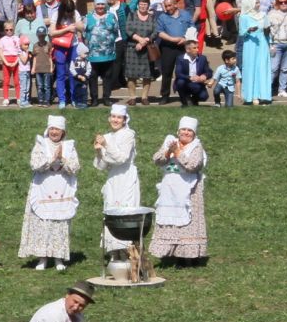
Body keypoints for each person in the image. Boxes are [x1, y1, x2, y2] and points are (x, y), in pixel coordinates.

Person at [19, 115, 81, 271]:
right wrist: (51, 160)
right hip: (44, 187)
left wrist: (63, 160)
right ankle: (43, 258)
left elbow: (75, 167)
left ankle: (59, 258)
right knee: (43, 224)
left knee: (59, 224)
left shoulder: (69, 146)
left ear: (63, 131)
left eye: (57, 129)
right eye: (52, 129)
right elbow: (34, 164)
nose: (54, 132)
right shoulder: (41, 144)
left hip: (62, 188)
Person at [150, 116, 207, 267]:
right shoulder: (171, 142)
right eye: (183, 130)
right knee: (172, 223)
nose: (186, 133)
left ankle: (192, 257)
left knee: (188, 223)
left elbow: (194, 165)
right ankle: (177, 256)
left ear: (194, 134)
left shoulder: (196, 147)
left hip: (189, 191)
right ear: (178, 131)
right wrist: (168, 151)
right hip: (169, 190)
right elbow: (156, 160)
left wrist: (179, 153)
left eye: (190, 130)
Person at [92, 104, 140, 257]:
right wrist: (99, 151)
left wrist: (106, 145)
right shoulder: (107, 136)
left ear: (125, 120)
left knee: (126, 212)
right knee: (111, 212)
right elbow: (101, 166)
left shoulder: (129, 134)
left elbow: (121, 158)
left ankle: (127, 253)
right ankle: (114, 253)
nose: (115, 120)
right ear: (109, 118)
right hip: (113, 178)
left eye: (119, 117)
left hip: (126, 177)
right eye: (113, 117)